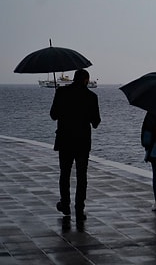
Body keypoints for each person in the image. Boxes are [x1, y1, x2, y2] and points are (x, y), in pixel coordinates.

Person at [50, 69, 101, 221]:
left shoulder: (61, 92)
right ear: (86, 80)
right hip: (82, 142)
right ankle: (80, 207)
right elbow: (96, 122)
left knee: (64, 174)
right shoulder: (91, 97)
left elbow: (53, 115)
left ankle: (65, 204)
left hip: (65, 140)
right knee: (81, 175)